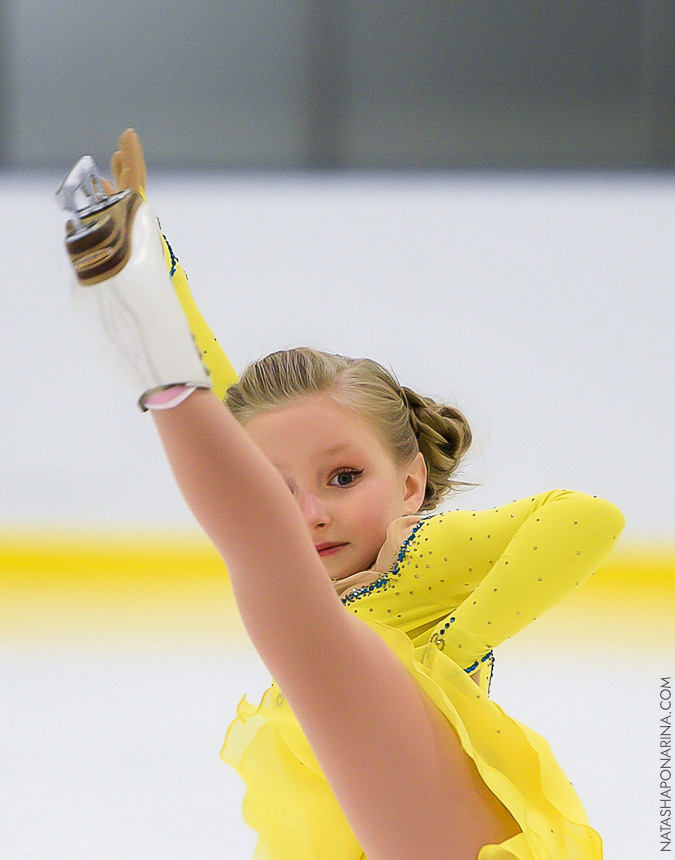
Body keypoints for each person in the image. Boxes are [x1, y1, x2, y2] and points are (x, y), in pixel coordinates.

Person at [57, 130, 625, 859]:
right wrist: (159, 252)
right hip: (345, 816)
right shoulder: (302, 568)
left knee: (282, 586)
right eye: (279, 488)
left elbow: (587, 516)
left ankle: (160, 375)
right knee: (282, 581)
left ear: (411, 483)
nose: (311, 512)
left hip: (429, 775)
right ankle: (158, 356)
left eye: (344, 478)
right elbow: (233, 433)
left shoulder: (414, 551)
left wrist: (456, 647)